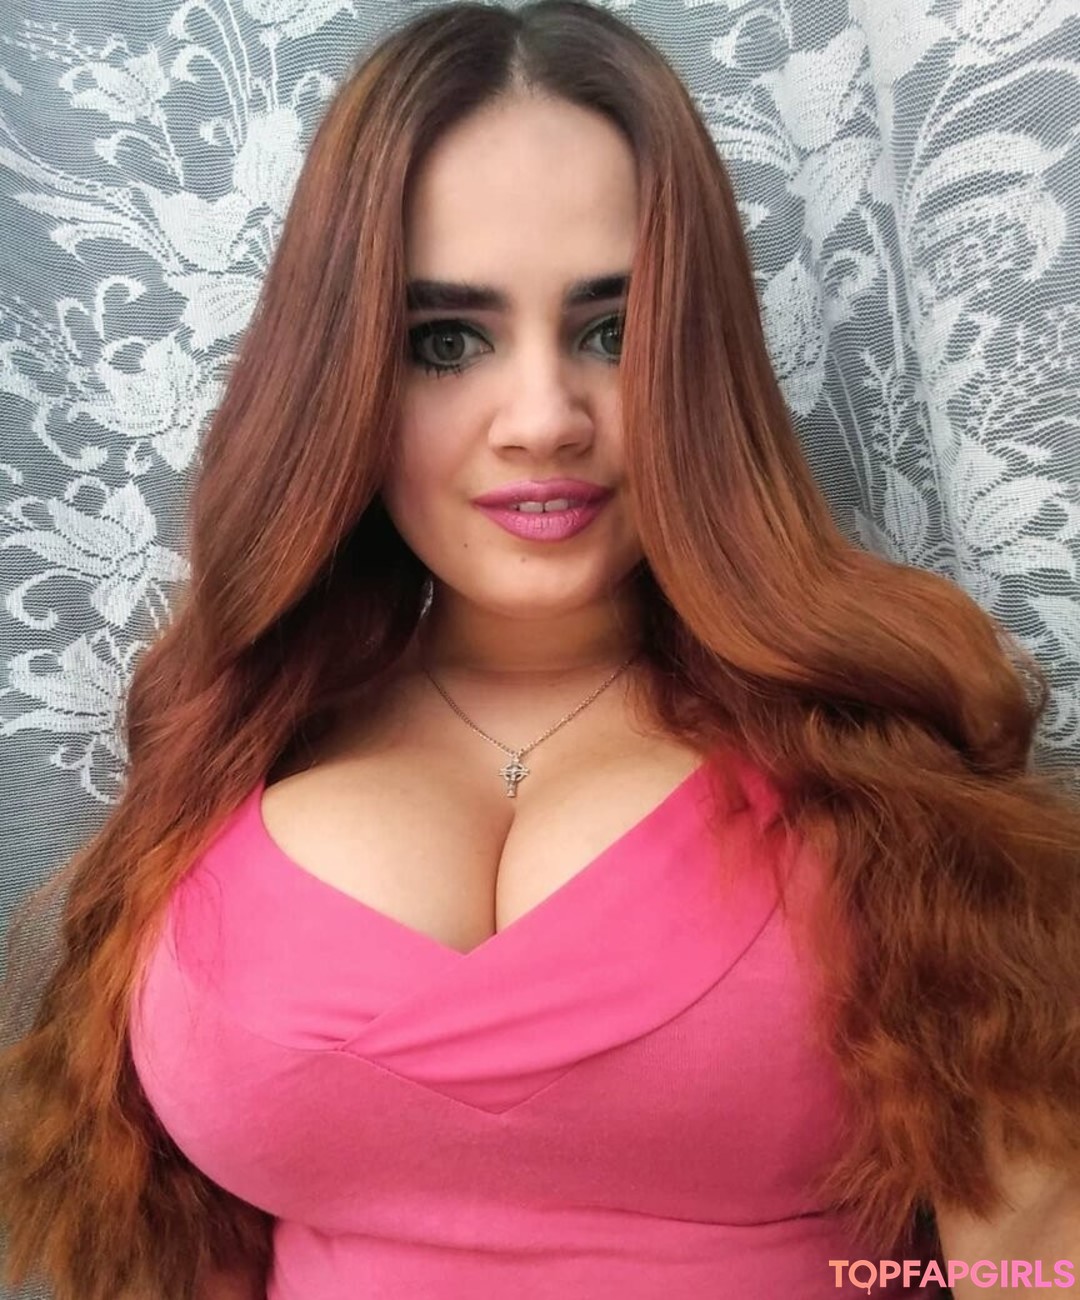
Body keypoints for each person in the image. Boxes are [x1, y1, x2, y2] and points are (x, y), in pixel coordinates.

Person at [2, 2, 1079, 1298]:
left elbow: (1034, 1264)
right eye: (445, 341)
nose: (543, 419)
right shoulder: (232, 741)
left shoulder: (884, 753)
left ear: (702, 357)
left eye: (611, 331)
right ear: (341, 377)